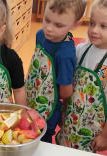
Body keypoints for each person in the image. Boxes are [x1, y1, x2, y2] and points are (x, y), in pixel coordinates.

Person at [25, 0, 87, 143]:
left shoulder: (65, 54)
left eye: (58, 25)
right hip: (31, 97)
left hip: (48, 111)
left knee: (42, 141)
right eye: (47, 20)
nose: (49, 29)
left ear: (75, 24)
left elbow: (65, 92)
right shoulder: (40, 35)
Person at [56, 0, 107, 152]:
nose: (94, 30)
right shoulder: (79, 50)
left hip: (93, 131)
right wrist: (64, 110)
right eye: (92, 23)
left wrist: (104, 136)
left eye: (103, 26)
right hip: (70, 121)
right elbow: (69, 84)